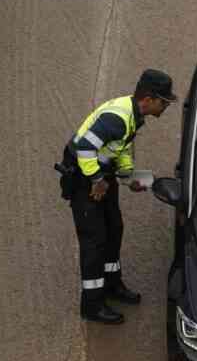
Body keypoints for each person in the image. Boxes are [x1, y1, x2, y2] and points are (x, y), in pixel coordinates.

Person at [61, 69, 177, 323]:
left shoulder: (133, 116)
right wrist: (97, 180)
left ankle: (112, 286)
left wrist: (127, 175)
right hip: (85, 178)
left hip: (103, 174)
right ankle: (92, 305)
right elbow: (85, 147)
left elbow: (119, 147)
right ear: (148, 98)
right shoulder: (117, 117)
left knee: (114, 229)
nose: (166, 106)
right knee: (94, 240)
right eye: (164, 101)